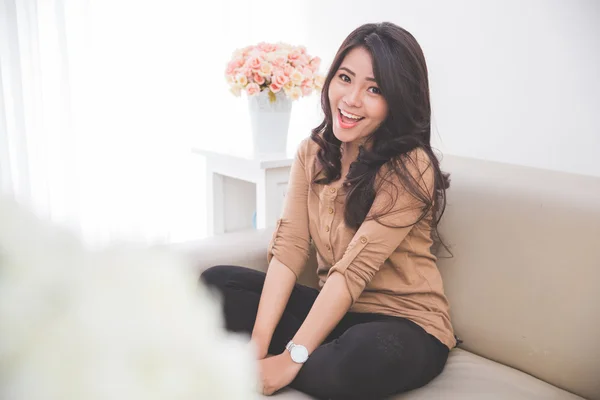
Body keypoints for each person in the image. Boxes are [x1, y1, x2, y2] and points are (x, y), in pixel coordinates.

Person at [201, 21, 455, 400]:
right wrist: (258, 342)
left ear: (398, 100)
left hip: (404, 324)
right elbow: (289, 248)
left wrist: (291, 357)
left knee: (353, 363)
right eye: (345, 78)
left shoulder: (410, 165)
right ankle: (286, 357)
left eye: (374, 89)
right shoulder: (313, 152)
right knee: (216, 284)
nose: (351, 99)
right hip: (333, 314)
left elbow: (352, 273)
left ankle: (300, 360)